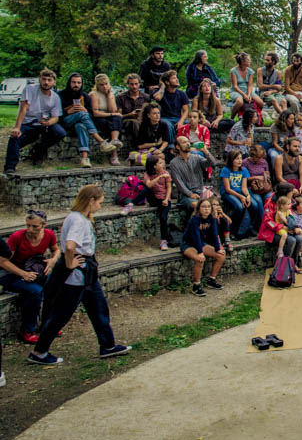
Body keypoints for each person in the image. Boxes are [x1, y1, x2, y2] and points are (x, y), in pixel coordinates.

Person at [29, 185, 131, 365]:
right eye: (99, 202)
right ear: (91, 201)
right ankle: (40, 352)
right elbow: (70, 246)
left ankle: (107, 345)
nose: (100, 206)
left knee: (98, 307)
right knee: (62, 313)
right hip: (77, 273)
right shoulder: (78, 220)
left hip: (86, 273)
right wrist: (70, 264)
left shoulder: (78, 218)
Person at [1, 211, 59, 344]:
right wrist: (23, 274)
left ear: (44, 225)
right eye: (27, 225)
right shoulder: (17, 237)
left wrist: (53, 260)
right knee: (35, 291)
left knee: (54, 284)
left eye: (34, 226)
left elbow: (56, 250)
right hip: (11, 273)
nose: (30, 229)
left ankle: (48, 324)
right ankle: (26, 331)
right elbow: (2, 261)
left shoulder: (49, 235)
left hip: (33, 270)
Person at [4, 69, 66, 174]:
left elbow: (56, 117)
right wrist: (17, 127)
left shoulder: (55, 97)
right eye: (44, 79)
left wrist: (48, 122)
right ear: (39, 80)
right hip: (28, 122)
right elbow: (23, 108)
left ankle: (38, 151)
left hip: (44, 123)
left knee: (60, 132)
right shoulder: (30, 89)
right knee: (15, 136)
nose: (46, 82)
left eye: (49, 80)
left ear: (54, 82)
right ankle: (10, 166)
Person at [60, 73, 116, 167]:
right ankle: (101, 141)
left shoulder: (84, 96)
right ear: (69, 83)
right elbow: (56, 114)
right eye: (74, 82)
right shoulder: (61, 95)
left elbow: (91, 114)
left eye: (79, 82)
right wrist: (68, 111)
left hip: (79, 123)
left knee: (81, 126)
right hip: (66, 121)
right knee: (82, 114)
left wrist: (85, 110)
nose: (76, 85)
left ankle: (85, 158)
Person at [182, 198, 226, 296]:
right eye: (203, 207)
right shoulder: (194, 220)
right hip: (188, 244)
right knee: (200, 259)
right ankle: (196, 285)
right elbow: (196, 237)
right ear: (199, 208)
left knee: (221, 255)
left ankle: (211, 280)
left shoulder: (212, 219)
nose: (206, 209)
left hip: (201, 243)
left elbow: (214, 234)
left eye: (208, 207)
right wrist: (200, 252)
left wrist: (218, 248)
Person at [220, 150, 263, 238]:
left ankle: (250, 227)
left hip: (240, 192)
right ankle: (231, 229)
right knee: (239, 207)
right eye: (237, 159)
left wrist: (248, 196)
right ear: (231, 160)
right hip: (228, 193)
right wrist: (241, 197)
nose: (240, 161)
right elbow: (227, 189)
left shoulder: (244, 170)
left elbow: (244, 188)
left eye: (240, 158)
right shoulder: (225, 170)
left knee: (255, 205)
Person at [168, 136, 216, 211]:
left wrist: (205, 151)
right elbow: (179, 182)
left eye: (188, 142)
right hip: (186, 195)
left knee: (215, 204)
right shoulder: (173, 163)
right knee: (199, 206)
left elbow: (212, 163)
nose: (188, 144)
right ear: (178, 147)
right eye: (184, 142)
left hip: (201, 191)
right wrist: (190, 194)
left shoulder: (197, 157)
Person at [88, 74, 123, 165]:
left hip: (108, 117)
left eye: (106, 84)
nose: (104, 87)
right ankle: (114, 155)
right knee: (111, 125)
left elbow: (113, 110)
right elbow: (95, 113)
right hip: (97, 118)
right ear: (97, 85)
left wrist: (109, 96)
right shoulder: (94, 94)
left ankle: (114, 140)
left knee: (117, 119)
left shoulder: (110, 95)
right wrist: (112, 114)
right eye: (101, 85)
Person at [151, 69, 189, 145]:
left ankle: (187, 145)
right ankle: (170, 147)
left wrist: (181, 121)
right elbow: (157, 98)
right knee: (167, 125)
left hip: (177, 118)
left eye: (176, 77)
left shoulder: (181, 93)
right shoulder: (159, 91)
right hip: (164, 118)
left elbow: (186, 110)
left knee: (190, 123)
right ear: (167, 82)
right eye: (174, 78)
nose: (177, 80)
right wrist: (162, 86)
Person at [143, 154, 173, 250]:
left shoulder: (166, 173)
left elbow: (169, 188)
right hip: (154, 198)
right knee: (145, 189)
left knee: (163, 217)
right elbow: (149, 185)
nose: (163, 164)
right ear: (154, 166)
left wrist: (166, 199)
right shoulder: (147, 174)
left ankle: (163, 240)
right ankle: (131, 204)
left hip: (164, 199)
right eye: (160, 163)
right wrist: (160, 177)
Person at [229, 52, 265, 117]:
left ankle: (256, 117)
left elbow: (250, 85)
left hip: (248, 90)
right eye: (248, 60)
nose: (250, 61)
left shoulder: (250, 71)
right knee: (240, 102)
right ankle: (232, 117)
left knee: (261, 103)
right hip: (237, 91)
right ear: (242, 62)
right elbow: (235, 86)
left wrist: (248, 95)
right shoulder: (233, 71)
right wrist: (244, 95)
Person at [116, 73, 148, 142]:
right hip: (127, 121)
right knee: (134, 122)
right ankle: (141, 144)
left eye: (136, 84)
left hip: (142, 120)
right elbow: (118, 116)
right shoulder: (120, 97)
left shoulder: (145, 97)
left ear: (139, 84)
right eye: (131, 84)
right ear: (128, 84)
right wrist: (129, 114)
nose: (134, 86)